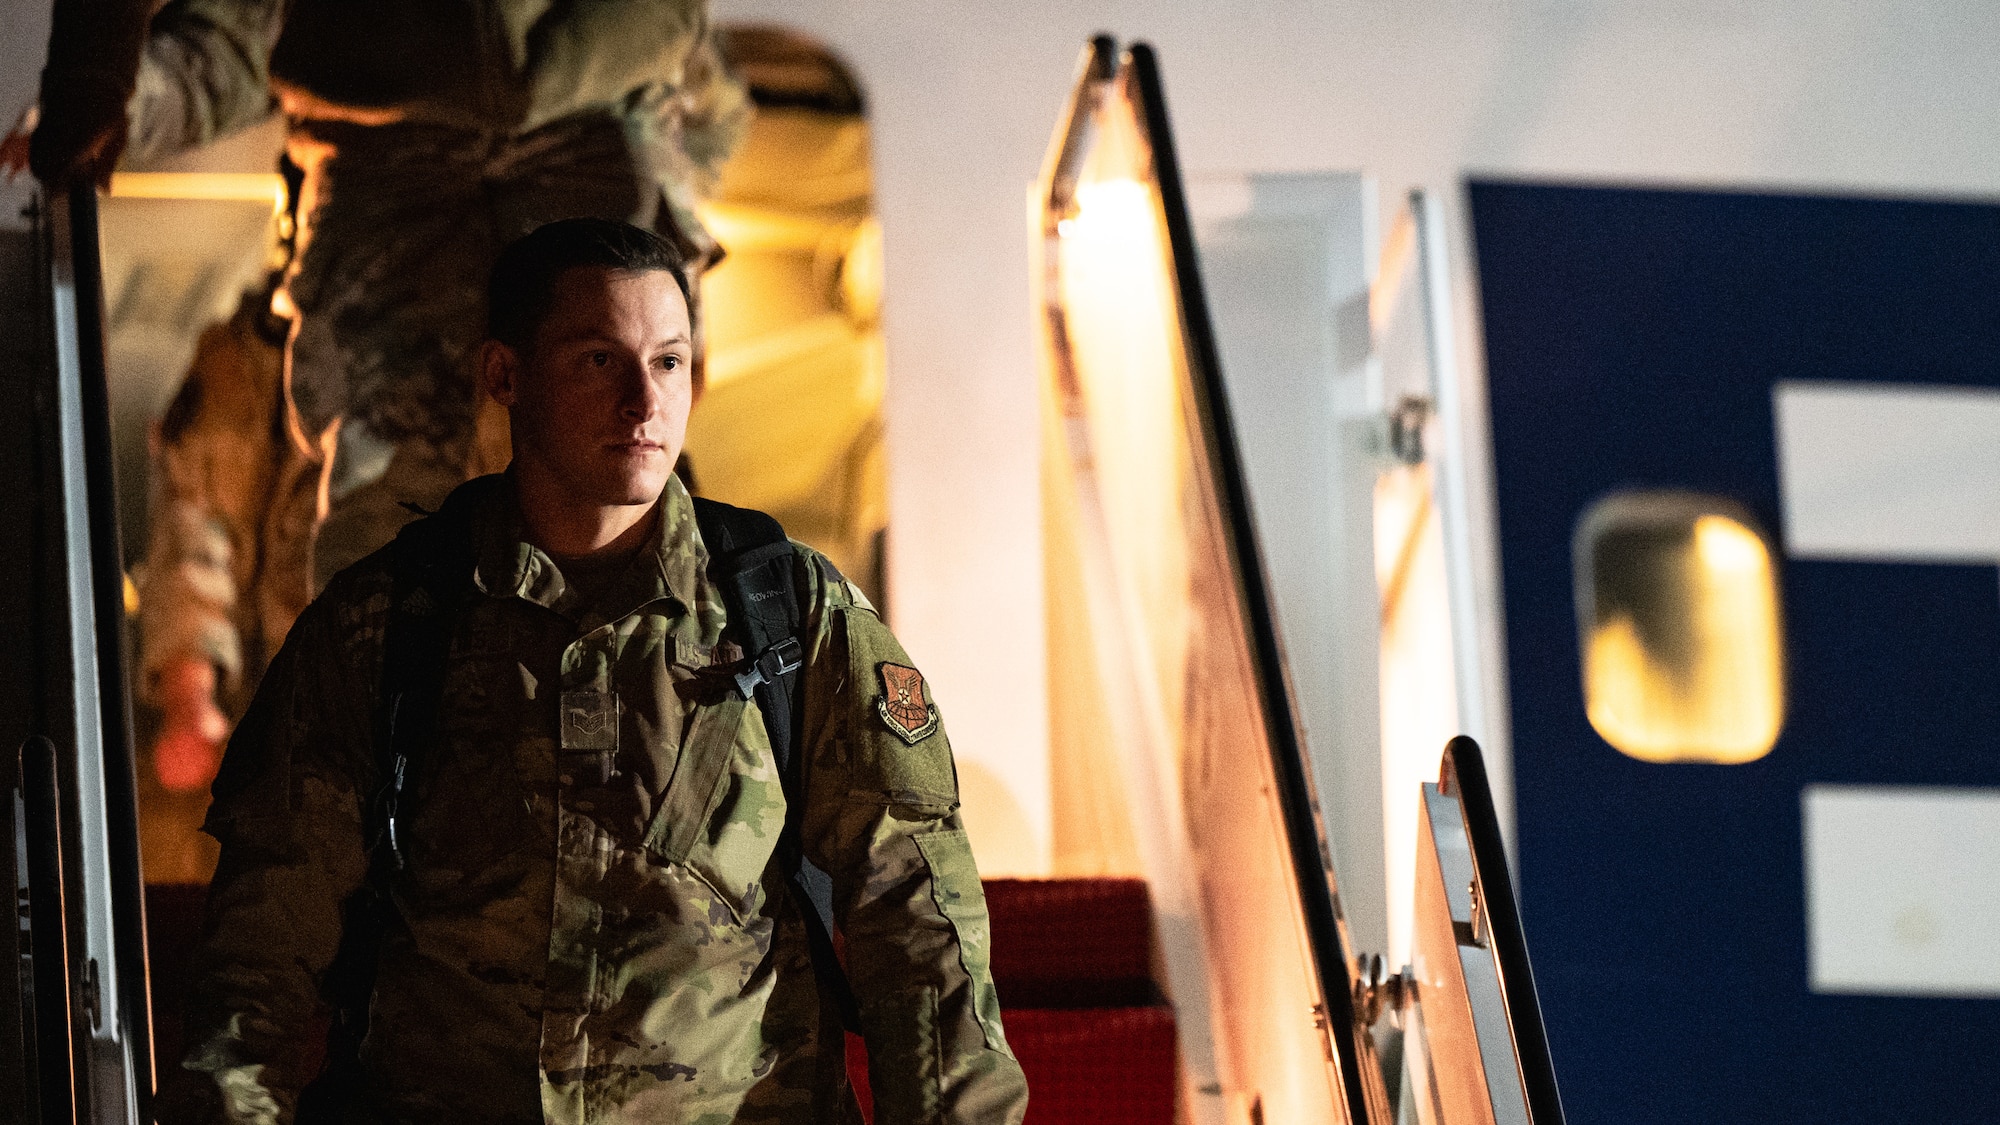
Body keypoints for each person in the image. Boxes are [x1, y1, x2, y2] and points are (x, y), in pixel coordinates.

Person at [168, 218, 1029, 1124]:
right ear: (506, 376)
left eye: (668, 362)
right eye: (597, 361)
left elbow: (920, 921)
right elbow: (258, 959)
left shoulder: (791, 618)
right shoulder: (385, 627)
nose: (643, 403)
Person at [8, 0, 752, 790]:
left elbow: (709, 89)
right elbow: (202, 508)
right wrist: (111, 92)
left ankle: (644, 803)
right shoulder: (242, 363)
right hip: (394, 171)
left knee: (628, 543)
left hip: (585, 142)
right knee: (388, 573)